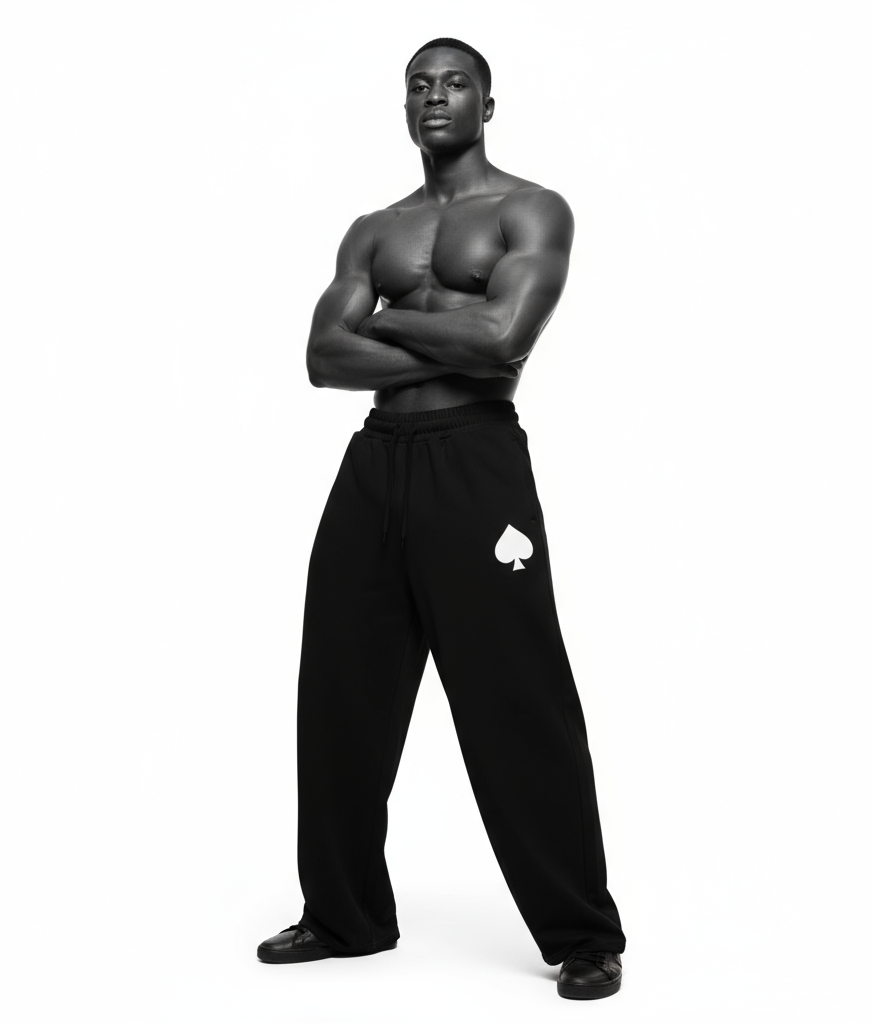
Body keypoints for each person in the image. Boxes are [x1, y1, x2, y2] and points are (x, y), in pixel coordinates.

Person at [256, 37, 626, 1000]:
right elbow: (323, 360)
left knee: (516, 697)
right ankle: (343, 915)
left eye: (456, 83)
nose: (436, 95)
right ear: (404, 106)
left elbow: (503, 339)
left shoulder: (530, 210)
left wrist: (382, 321)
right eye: (419, 84)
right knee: (339, 694)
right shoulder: (372, 229)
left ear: (487, 106)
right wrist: (451, 338)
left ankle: (583, 935)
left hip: (476, 462)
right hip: (375, 462)